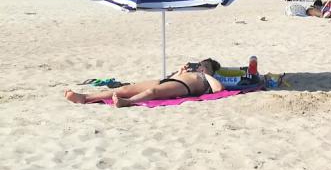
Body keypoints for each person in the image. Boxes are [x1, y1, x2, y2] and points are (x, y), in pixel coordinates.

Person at [65, 59, 224, 107]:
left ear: (210, 70)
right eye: (201, 63)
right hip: (169, 80)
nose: (201, 66)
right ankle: (85, 97)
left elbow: (219, 89)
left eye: (205, 65)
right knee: (125, 88)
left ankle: (127, 102)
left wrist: (206, 74)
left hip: (183, 87)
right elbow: (171, 78)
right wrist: (180, 71)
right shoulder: (190, 72)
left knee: (152, 93)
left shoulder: (206, 78)